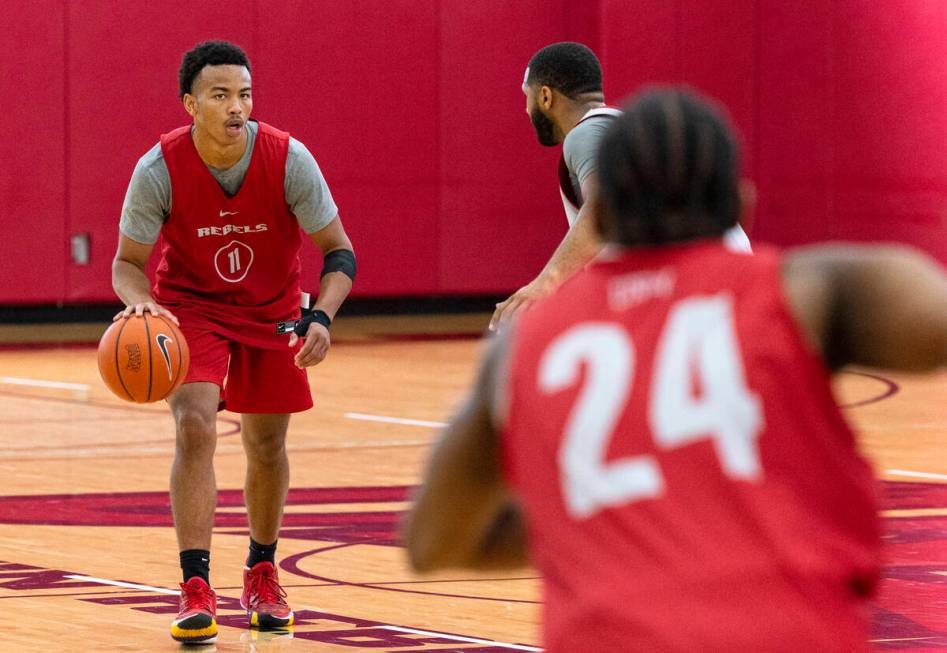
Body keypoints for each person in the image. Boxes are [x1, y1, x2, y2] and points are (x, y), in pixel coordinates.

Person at [405, 88, 947, 651]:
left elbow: (432, 540)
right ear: (741, 206)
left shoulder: (520, 349)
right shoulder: (800, 293)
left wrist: (608, 517)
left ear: (606, 213)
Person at [111, 40, 356, 644]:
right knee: (194, 423)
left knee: (266, 443)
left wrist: (321, 317)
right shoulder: (158, 168)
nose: (236, 107)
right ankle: (195, 583)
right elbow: (126, 263)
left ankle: (262, 570)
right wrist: (141, 303)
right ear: (190, 103)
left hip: (272, 308)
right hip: (191, 307)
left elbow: (339, 252)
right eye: (220, 95)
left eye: (244, 94)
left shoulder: (289, 158)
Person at [490, 42, 751, 330]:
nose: (526, 110)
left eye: (527, 98)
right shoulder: (625, 129)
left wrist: (545, 283)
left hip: (698, 281)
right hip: (721, 270)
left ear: (546, 97)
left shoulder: (586, 133)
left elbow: (606, 204)